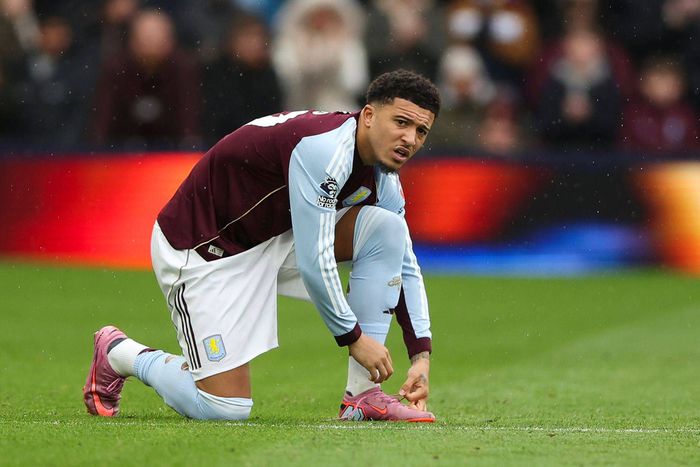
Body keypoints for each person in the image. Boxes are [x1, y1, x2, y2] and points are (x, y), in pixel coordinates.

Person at [83, 69, 440, 422]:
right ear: (369, 115)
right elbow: (315, 261)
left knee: (387, 230)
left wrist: (420, 356)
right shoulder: (326, 150)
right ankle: (120, 353)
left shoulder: (383, 178)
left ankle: (363, 395)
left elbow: (404, 261)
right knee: (224, 408)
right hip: (205, 248)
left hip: (274, 240)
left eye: (421, 131)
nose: (409, 138)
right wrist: (354, 338)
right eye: (401, 122)